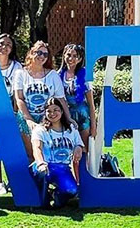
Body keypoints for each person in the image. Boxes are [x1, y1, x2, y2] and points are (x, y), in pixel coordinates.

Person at [0, 33, 24, 194]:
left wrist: (16, 110)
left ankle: (14, 180)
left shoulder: (17, 67)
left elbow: (19, 91)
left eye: (8, 44)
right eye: (2, 43)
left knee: (13, 146)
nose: (5, 47)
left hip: (12, 111)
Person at [30, 98, 84, 208]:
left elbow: (79, 143)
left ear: (62, 111)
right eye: (48, 111)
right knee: (42, 173)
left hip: (62, 168)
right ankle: (44, 201)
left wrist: (78, 148)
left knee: (71, 190)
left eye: (56, 110)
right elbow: (37, 148)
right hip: (45, 166)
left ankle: (56, 196)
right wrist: (40, 163)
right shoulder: (40, 130)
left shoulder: (71, 129)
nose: (52, 113)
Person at [14, 41, 74, 135]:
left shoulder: (53, 75)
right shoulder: (20, 73)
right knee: (30, 149)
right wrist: (29, 120)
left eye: (45, 54)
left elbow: (61, 99)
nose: (42, 56)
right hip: (26, 117)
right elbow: (19, 99)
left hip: (48, 118)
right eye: (39, 53)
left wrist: (69, 118)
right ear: (32, 53)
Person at [58, 43, 97, 182]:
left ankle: (86, 180)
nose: (71, 58)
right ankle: (77, 180)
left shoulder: (84, 75)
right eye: (69, 55)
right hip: (66, 114)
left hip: (82, 114)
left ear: (80, 59)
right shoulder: (58, 76)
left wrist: (93, 125)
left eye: (75, 56)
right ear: (64, 56)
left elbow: (91, 104)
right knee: (72, 149)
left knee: (84, 149)